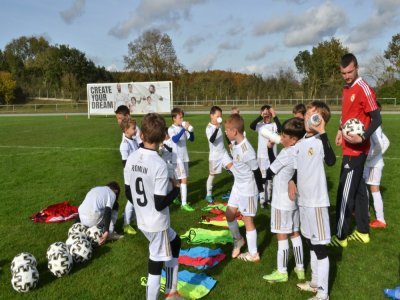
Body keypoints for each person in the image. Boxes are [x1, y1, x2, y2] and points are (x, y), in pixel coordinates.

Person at [124, 113, 182, 300]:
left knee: (175, 242)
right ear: (162, 137)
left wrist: (142, 208)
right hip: (156, 222)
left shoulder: (132, 158)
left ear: (142, 135)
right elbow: (159, 204)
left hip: (143, 219)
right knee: (155, 264)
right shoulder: (159, 164)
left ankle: (171, 291)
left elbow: (127, 193)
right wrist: (176, 190)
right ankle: (161, 295)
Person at [330, 53, 382, 247]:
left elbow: (377, 119)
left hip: (356, 152)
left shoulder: (363, 89)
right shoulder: (347, 88)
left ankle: (340, 236)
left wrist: (363, 137)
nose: (347, 76)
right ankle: (363, 231)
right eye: (343, 73)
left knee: (344, 192)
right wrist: (338, 129)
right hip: (348, 148)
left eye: (350, 71)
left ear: (357, 67)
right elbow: (348, 114)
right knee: (360, 191)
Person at [290, 101, 336, 300]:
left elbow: (331, 161)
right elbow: (297, 167)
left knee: (319, 246)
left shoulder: (319, 141)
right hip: (303, 202)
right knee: (310, 241)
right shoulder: (301, 143)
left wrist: (323, 132)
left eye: (314, 114)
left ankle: (323, 294)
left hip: (316, 203)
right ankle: (315, 282)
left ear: (320, 119)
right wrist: (292, 182)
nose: (309, 116)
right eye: (307, 112)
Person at [262, 117, 305, 283]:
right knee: (295, 233)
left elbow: (271, 170)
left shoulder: (286, 152)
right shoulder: (300, 149)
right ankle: (300, 268)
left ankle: (282, 271)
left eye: (284, 136)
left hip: (281, 201)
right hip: (294, 201)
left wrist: (269, 149)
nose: (281, 137)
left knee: (281, 235)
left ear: (293, 139)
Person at [224, 114, 264, 262]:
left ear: (235, 131)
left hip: (248, 189)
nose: (226, 133)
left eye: (227, 130)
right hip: (237, 186)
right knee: (229, 213)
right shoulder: (235, 143)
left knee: (248, 220)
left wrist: (260, 192)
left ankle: (253, 254)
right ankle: (238, 239)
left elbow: (256, 172)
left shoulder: (248, 151)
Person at [363, 102, 390, 228]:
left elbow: (380, 144)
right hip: (370, 163)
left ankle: (381, 220)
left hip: (374, 164)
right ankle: (365, 213)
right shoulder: (372, 124)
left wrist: (369, 157)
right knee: (365, 187)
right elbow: (387, 141)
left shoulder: (375, 126)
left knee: (374, 189)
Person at [249, 105, 279, 207]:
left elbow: (282, 129)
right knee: (262, 178)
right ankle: (262, 199)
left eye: (268, 114)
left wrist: (275, 116)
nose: (266, 116)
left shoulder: (274, 125)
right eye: (264, 114)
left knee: (269, 178)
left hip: (272, 156)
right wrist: (260, 116)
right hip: (261, 156)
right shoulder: (260, 125)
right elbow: (251, 126)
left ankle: (268, 198)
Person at [168, 107, 195, 212]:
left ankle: (175, 197)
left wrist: (190, 131)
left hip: (184, 157)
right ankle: (183, 204)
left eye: (182, 117)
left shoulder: (182, 128)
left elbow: (192, 139)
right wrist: (184, 129)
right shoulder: (171, 129)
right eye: (180, 117)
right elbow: (174, 140)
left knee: (180, 180)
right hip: (177, 158)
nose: (182, 119)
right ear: (174, 118)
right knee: (184, 180)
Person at [205, 106, 232, 203]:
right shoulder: (209, 128)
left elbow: (225, 134)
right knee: (212, 175)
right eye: (217, 116)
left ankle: (235, 192)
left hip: (223, 153)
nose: (219, 118)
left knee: (234, 169)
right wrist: (216, 129)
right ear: (211, 116)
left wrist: (229, 143)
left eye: (220, 116)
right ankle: (208, 194)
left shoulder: (219, 126)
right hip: (214, 156)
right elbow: (212, 140)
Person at [120, 118, 141, 235]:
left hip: (137, 173)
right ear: (125, 130)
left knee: (135, 199)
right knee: (132, 200)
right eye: (133, 128)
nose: (135, 130)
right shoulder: (124, 144)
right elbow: (125, 163)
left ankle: (132, 218)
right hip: (131, 176)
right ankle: (126, 224)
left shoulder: (132, 140)